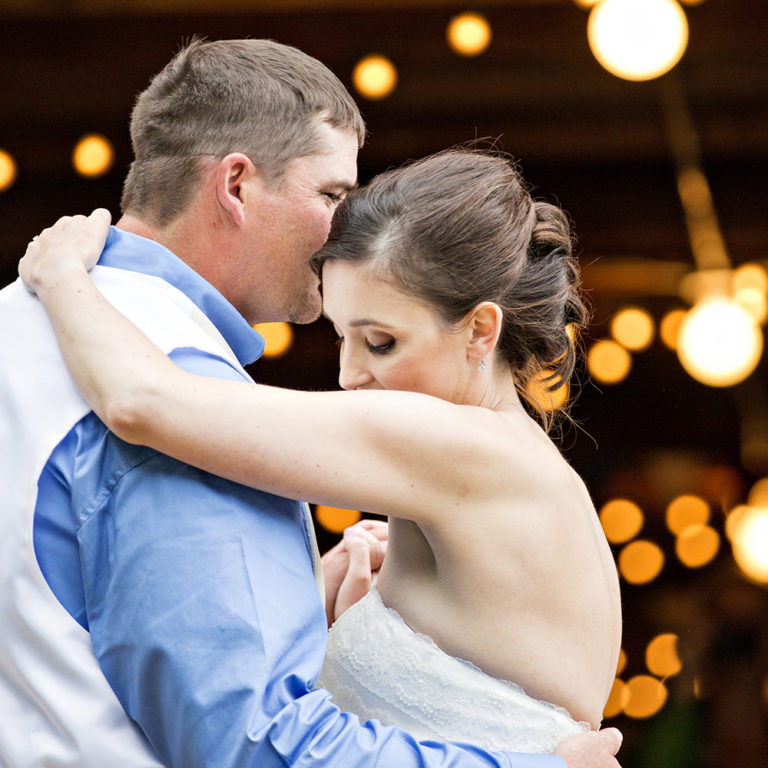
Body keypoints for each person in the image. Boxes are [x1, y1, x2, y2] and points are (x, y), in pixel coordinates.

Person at [17, 132, 623, 767]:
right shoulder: (519, 465)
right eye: (341, 337)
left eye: (381, 341)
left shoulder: (457, 447)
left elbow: (143, 404)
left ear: (479, 331)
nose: (349, 374)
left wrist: (61, 277)